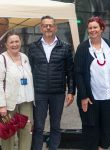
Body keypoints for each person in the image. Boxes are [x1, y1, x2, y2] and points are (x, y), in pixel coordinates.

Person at [74, 16, 110, 150]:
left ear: (101, 29)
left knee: (107, 126)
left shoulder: (109, 44)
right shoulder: (82, 48)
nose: (92, 30)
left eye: (95, 27)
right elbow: (78, 73)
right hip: (92, 96)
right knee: (91, 126)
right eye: (90, 28)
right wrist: (84, 96)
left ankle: (103, 147)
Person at [28, 15, 75, 150]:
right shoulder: (33, 47)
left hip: (58, 93)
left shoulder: (65, 47)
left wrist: (71, 91)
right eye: (45, 25)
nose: (48, 27)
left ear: (55, 27)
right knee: (38, 126)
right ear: (41, 28)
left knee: (55, 126)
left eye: (50, 25)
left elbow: (70, 71)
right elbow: (29, 71)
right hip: (39, 93)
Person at [0, 31, 34, 150]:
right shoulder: (2, 59)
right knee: (8, 133)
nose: (14, 44)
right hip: (9, 104)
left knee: (26, 130)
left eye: (17, 41)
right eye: (11, 42)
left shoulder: (24, 57)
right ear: (6, 44)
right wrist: (2, 105)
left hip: (26, 101)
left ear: (21, 42)